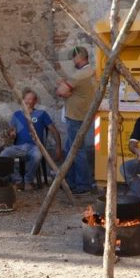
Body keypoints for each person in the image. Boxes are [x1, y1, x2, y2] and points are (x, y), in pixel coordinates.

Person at [0, 89, 63, 190]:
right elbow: (11, 132)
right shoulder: (17, 115)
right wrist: (11, 133)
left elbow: (54, 131)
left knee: (37, 155)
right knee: (3, 155)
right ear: (22, 101)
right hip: (19, 147)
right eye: (26, 99)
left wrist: (58, 148)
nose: (28, 101)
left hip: (35, 147)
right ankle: (18, 180)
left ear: (35, 101)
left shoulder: (41, 114)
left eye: (31, 99)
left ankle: (28, 180)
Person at [56, 45, 97, 194]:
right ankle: (71, 181)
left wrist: (62, 85)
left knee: (77, 151)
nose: (73, 60)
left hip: (75, 116)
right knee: (70, 150)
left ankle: (83, 185)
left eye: (74, 57)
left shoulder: (79, 75)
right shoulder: (92, 72)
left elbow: (60, 91)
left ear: (79, 57)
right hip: (85, 115)